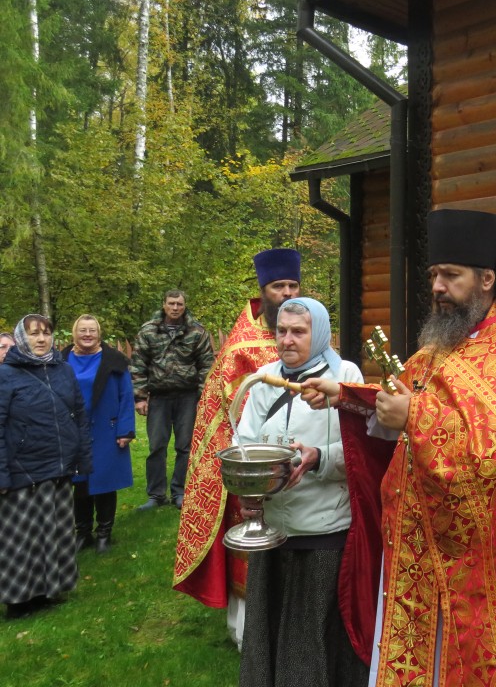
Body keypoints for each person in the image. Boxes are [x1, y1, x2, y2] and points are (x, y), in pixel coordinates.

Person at [303, 209, 496, 687]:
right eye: (434, 275)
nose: (438, 287)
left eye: (451, 275)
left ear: (486, 279)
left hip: (473, 556)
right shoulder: (444, 341)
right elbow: (403, 395)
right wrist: (346, 395)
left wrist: (415, 418)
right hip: (417, 543)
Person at [174, 248, 301, 648]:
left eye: (293, 285)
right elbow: (229, 407)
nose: (286, 293)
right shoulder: (241, 347)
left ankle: (289, 624)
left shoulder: (306, 330)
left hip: (299, 458)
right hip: (253, 461)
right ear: (263, 290)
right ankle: (246, 630)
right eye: (278, 286)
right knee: (252, 545)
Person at [235, 297, 365, 687]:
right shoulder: (263, 378)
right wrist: (249, 490)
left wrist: (318, 457)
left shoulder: (344, 375)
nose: (287, 340)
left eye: (298, 332)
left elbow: (361, 449)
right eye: (281, 331)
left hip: (323, 530)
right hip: (272, 529)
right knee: (269, 630)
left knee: (311, 637)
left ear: (319, 333)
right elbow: (244, 442)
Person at [0, 314, 91, 619]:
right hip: (23, 468)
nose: (41, 339)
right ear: (21, 338)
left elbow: (79, 415)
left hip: (59, 465)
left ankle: (48, 590)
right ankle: (18, 600)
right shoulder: (6, 375)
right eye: (34, 334)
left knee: (54, 531)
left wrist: (82, 459)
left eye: (46, 333)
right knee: (20, 538)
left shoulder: (63, 370)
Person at [130, 289, 214, 510]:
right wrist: (140, 397)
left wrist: (202, 396)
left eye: (179, 304)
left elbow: (206, 365)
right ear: (164, 305)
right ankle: (156, 494)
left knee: (185, 447)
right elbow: (138, 364)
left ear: (184, 306)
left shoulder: (196, 331)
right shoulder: (149, 331)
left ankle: (180, 491)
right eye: (171, 303)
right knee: (157, 446)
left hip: (187, 396)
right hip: (159, 396)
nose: (175, 308)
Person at [61, 315, 135, 554]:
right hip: (73, 431)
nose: (87, 334)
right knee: (79, 483)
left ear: (98, 333)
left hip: (106, 429)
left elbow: (126, 396)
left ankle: (104, 533)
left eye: (92, 330)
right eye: (82, 330)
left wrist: (125, 429)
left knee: (105, 481)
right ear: (75, 332)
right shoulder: (61, 359)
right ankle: (83, 533)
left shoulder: (114, 361)